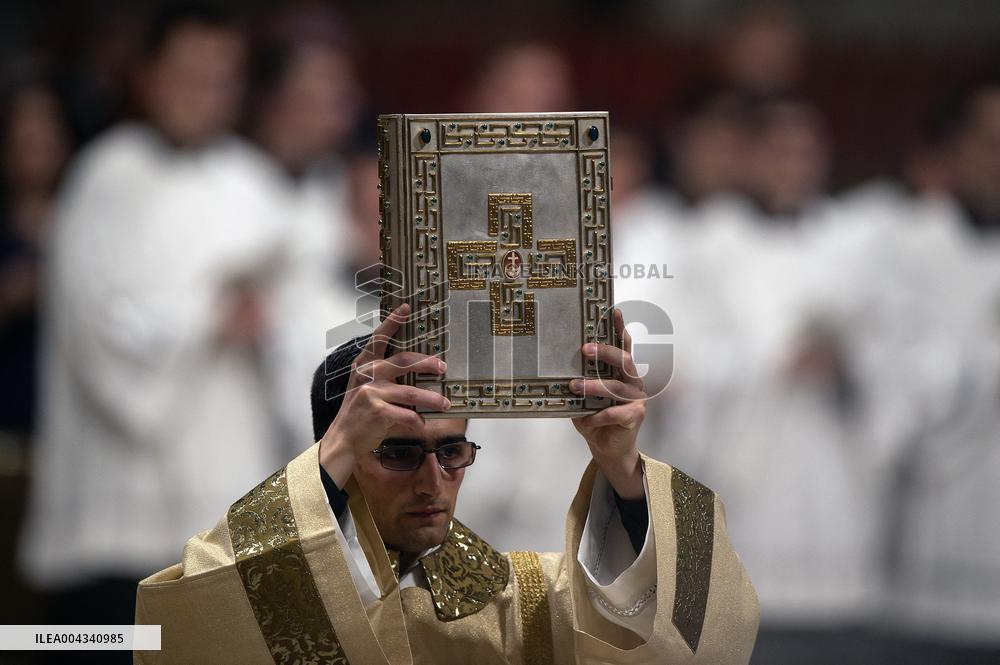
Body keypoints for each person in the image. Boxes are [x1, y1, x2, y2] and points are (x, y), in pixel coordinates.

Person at [135, 304, 759, 664]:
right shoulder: (257, 584)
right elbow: (188, 635)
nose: (435, 480)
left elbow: (697, 646)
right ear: (340, 455)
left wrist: (622, 466)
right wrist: (340, 446)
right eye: (400, 453)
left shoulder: (520, 605)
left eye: (453, 450)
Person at [18, 3, 288, 648]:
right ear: (148, 74)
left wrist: (268, 322)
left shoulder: (256, 185)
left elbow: (301, 325)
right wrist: (211, 314)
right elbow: (102, 333)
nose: (202, 92)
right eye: (186, 72)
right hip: (114, 524)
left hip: (223, 520)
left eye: (219, 77)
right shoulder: (103, 181)